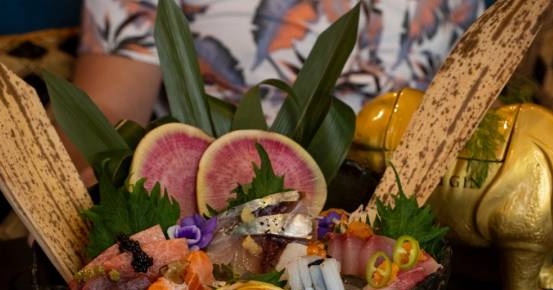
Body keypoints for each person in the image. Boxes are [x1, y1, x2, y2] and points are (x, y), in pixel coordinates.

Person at [69, 0, 486, 181]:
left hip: (430, 211)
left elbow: (489, 83)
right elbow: (106, 107)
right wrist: (100, 178)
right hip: (220, 221)